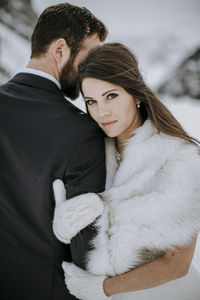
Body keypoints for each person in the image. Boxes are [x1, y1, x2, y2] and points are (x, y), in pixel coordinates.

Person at [53, 43, 200, 300]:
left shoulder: (181, 157)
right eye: (91, 102)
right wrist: (63, 228)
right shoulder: (91, 150)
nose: (102, 112)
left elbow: (177, 262)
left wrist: (103, 289)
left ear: (136, 93)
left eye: (111, 96)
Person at [0, 3, 108, 300]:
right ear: (60, 50)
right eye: (89, 57)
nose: (90, 71)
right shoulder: (83, 131)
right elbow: (87, 252)